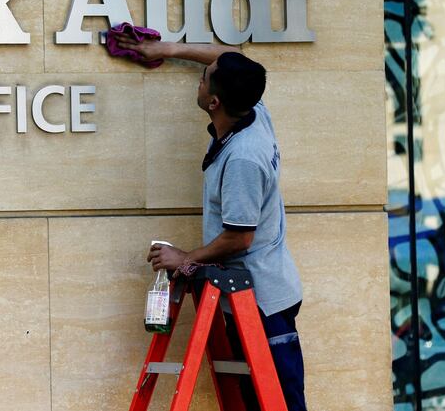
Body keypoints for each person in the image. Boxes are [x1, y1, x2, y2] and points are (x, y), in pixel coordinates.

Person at [112, 33, 308, 411]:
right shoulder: (251, 107)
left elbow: (239, 238)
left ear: (213, 102)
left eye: (204, 78)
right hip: (250, 296)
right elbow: (232, 59)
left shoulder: (243, 160)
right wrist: (168, 50)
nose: (199, 77)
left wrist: (185, 257)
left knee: (278, 403)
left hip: (263, 303)